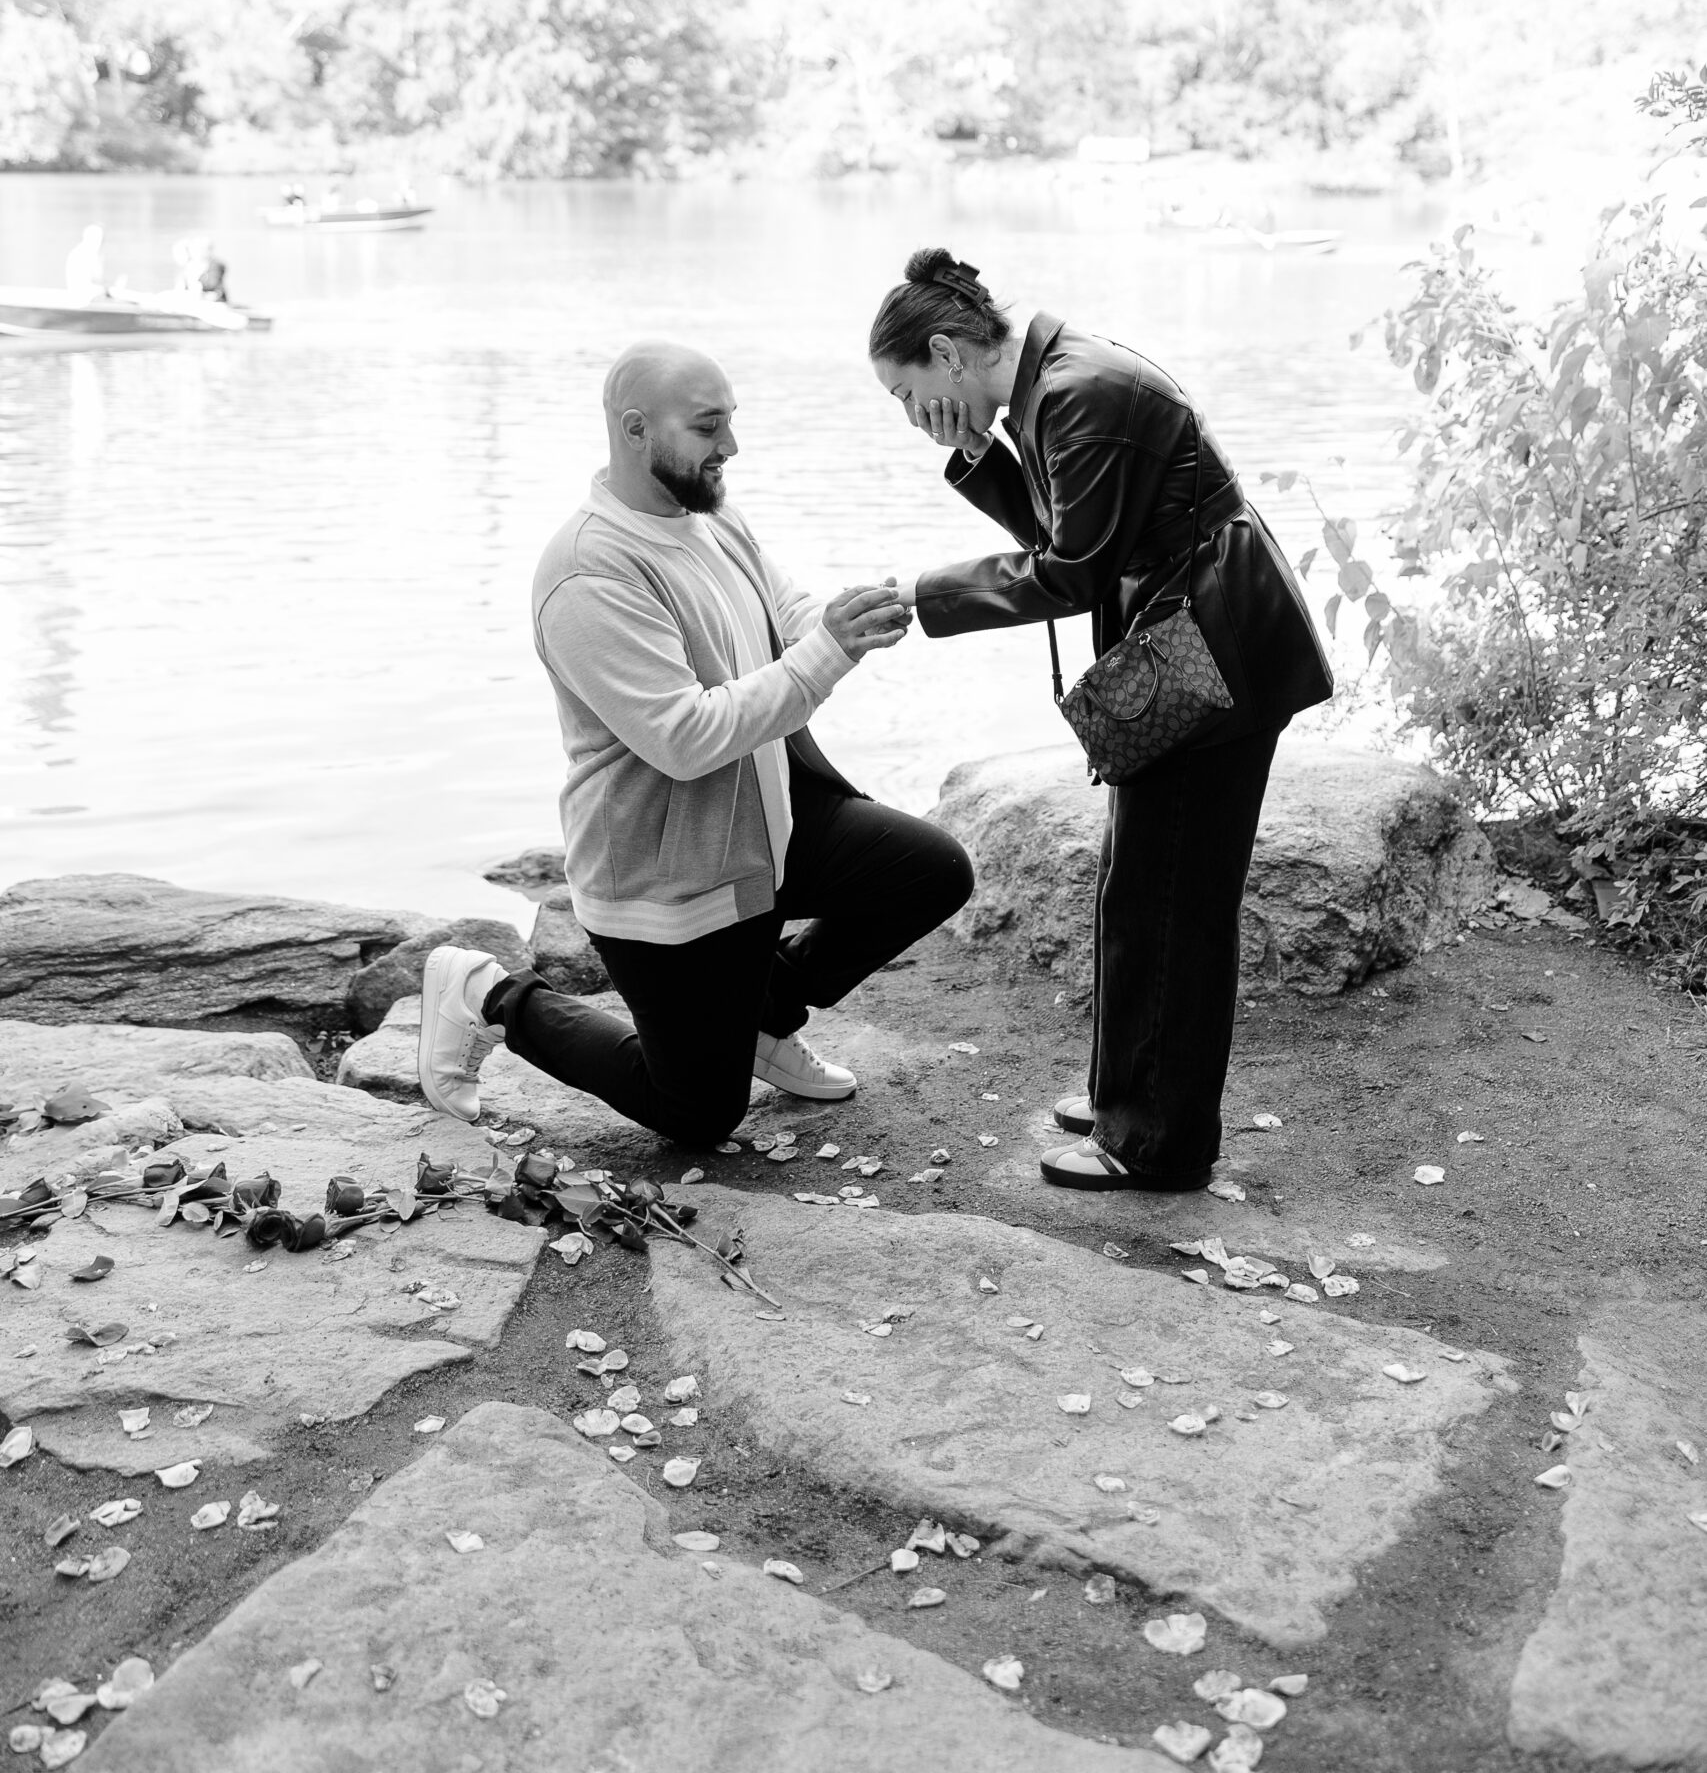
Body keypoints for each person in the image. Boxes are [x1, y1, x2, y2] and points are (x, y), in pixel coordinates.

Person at [418, 340, 975, 1146]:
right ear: (636, 429)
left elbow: (783, 611)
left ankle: (760, 1021)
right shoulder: (588, 572)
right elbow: (683, 739)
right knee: (698, 1116)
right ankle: (483, 991)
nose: (731, 448)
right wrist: (827, 654)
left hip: (765, 829)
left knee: (928, 872)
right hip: (668, 868)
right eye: (709, 426)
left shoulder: (710, 514)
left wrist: (850, 618)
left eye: (730, 423)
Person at [869, 247, 1333, 1196]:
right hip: (1186, 645)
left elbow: (1069, 571)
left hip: (1212, 654)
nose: (909, 413)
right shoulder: (1052, 384)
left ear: (949, 353)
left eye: (903, 391)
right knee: (1140, 888)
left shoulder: (1079, 393)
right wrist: (971, 455)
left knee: (1170, 905)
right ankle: (1127, 1093)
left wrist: (922, 594)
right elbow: (1064, 534)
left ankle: (1155, 1143)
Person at [64, 225, 107, 300]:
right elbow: (95, 279)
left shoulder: (83, 251)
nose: (101, 243)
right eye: (99, 239)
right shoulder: (85, 254)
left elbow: (97, 280)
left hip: (82, 293)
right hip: (81, 295)